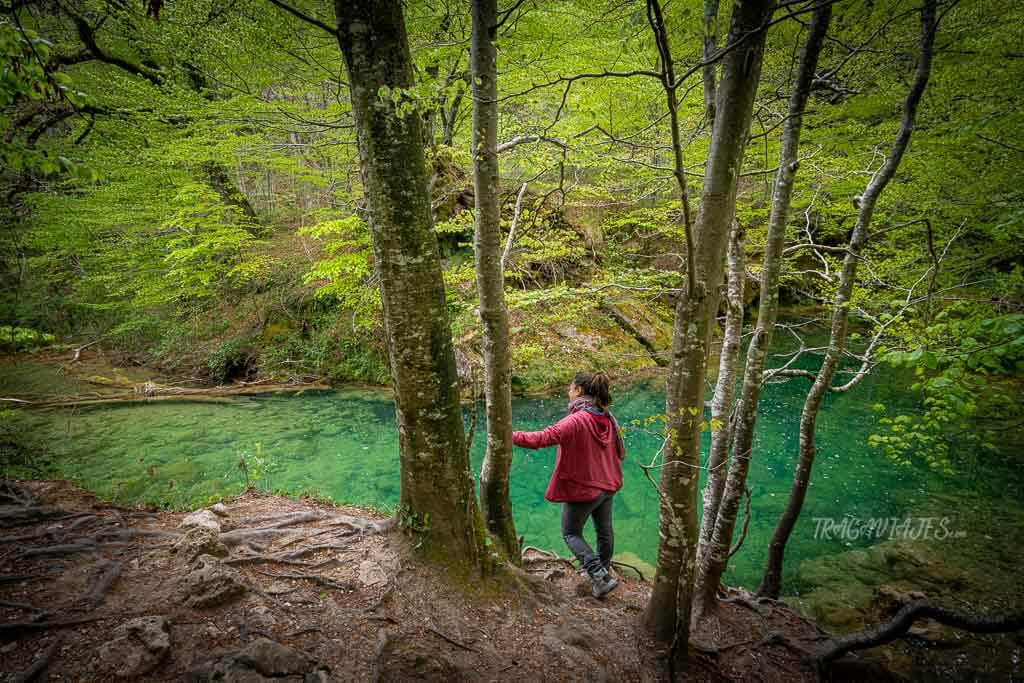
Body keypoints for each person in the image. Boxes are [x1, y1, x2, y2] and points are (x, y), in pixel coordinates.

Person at [512, 371, 626, 599]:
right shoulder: (606, 416)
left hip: (586, 489)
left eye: (571, 388)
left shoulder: (578, 419)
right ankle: (603, 576)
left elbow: (542, 438)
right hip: (609, 484)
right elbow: (619, 451)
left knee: (571, 532)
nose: (568, 391)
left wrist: (509, 434)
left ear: (580, 391)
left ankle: (598, 574)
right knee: (604, 531)